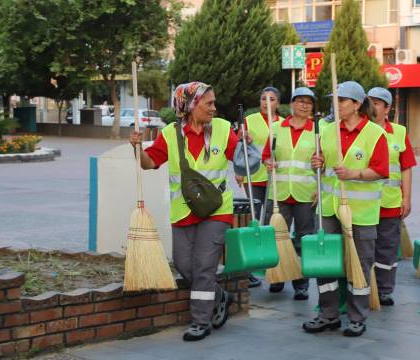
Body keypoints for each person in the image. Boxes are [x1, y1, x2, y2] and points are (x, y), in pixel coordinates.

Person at [129, 82, 257, 342]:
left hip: (217, 210)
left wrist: (247, 147)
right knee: (184, 264)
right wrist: (136, 149)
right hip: (183, 212)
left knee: (203, 266)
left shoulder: (222, 129)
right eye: (208, 103)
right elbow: (149, 163)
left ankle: (201, 321)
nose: (214, 107)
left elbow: (246, 164)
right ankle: (220, 297)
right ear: (189, 105)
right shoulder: (169, 133)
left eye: (213, 102)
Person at [303, 81, 389, 337]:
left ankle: (357, 317)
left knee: (359, 264)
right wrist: (316, 164)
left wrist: (354, 173)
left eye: (341, 100)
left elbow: (381, 171)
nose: (336, 105)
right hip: (329, 209)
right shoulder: (327, 131)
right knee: (325, 262)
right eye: (334, 100)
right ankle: (327, 314)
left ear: (356, 104)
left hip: (361, 213)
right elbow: (320, 168)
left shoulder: (375, 134)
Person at [262, 87, 317, 298]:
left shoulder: (317, 131)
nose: (304, 105)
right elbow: (267, 155)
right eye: (300, 101)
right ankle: (277, 276)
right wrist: (268, 162)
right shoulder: (276, 128)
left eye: (308, 102)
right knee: (276, 237)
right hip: (279, 194)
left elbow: (325, 163)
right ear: (292, 104)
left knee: (303, 240)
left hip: (305, 195)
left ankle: (301, 283)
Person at [367, 87, 417, 306]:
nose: (373, 106)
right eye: (370, 102)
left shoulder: (399, 132)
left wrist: (406, 198)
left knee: (387, 248)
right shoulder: (361, 130)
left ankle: (385, 290)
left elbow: (406, 168)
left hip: (390, 201)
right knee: (365, 248)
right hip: (364, 203)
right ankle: (365, 287)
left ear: (388, 108)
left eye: (378, 103)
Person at [236, 86, 285, 288]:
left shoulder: (284, 124)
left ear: (278, 103)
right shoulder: (250, 120)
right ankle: (251, 268)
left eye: (271, 99)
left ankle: (275, 268)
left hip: (275, 179)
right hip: (253, 176)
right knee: (253, 220)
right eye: (263, 99)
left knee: (271, 221)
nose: (267, 102)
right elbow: (241, 147)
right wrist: (239, 171)